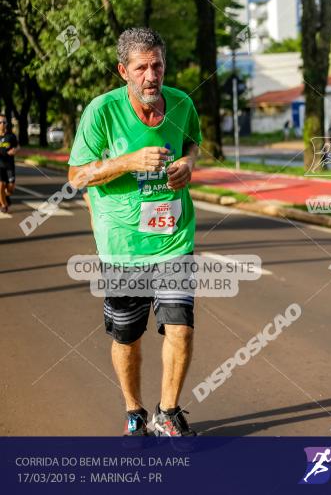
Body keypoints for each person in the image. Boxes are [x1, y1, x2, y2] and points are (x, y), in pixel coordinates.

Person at [68, 28, 202, 437]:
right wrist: (127, 162)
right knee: (127, 337)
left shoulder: (181, 103)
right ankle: (134, 410)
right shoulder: (101, 111)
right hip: (123, 245)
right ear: (123, 70)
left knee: (180, 326)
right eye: (141, 67)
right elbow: (76, 177)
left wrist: (189, 164)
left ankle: (169, 411)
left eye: (157, 65)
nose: (151, 75)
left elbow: (193, 143)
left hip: (174, 239)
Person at [0, 117, 18, 213]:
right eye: (0, 122)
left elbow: (17, 146)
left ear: (6, 124)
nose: (2, 124)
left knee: (10, 188)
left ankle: (6, 196)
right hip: (0, 165)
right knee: (1, 185)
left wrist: (15, 150)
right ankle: (3, 205)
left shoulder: (11, 136)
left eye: (4, 122)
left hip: (9, 165)